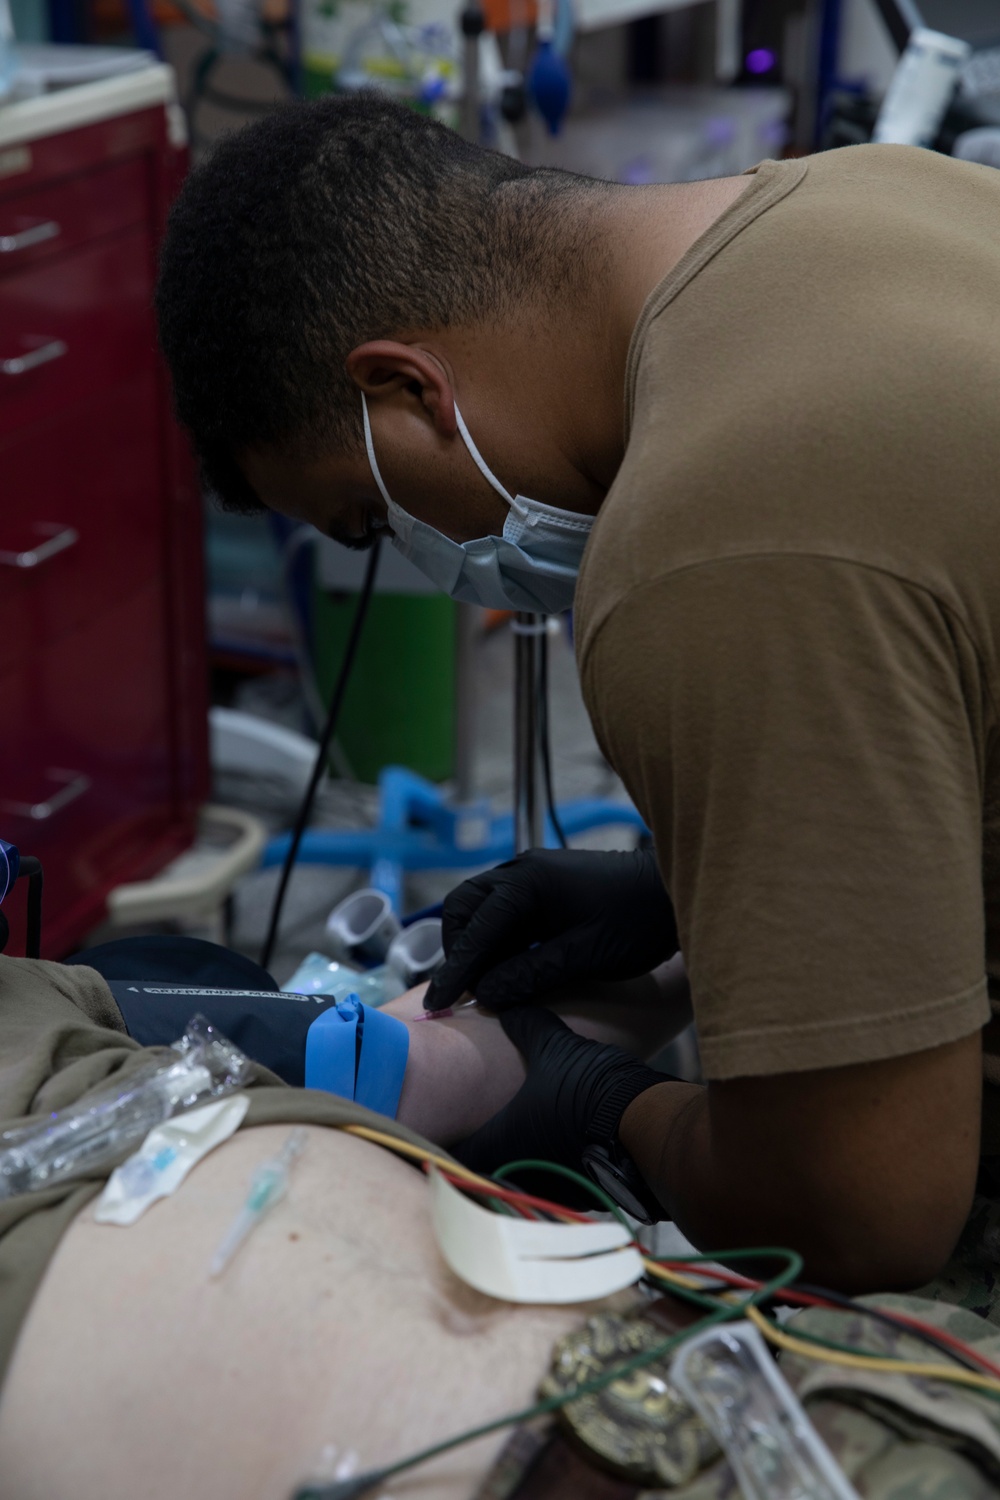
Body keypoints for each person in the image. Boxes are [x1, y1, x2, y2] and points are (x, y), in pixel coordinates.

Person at [155, 94, 1000, 1294]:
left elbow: (860, 1210)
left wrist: (599, 1108)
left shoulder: (705, 546)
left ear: (408, 391)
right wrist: (684, 887)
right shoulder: (868, 197)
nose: (417, 556)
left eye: (369, 518)